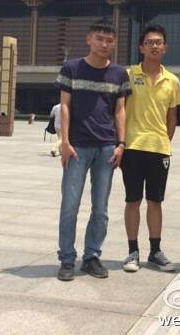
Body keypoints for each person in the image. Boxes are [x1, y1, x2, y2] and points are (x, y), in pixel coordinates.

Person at [55, 20, 131, 282]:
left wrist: (121, 144)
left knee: (101, 208)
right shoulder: (72, 68)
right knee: (70, 206)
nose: (104, 44)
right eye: (99, 38)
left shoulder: (119, 74)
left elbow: (120, 110)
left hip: (106, 147)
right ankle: (67, 259)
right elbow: (65, 106)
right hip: (77, 146)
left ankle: (91, 256)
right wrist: (65, 142)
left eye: (109, 40)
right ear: (88, 39)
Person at [121, 24, 180, 273]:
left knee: (155, 201)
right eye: (149, 42)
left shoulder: (173, 81)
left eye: (158, 42)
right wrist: (121, 141)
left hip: (159, 149)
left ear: (165, 47)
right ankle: (132, 251)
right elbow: (120, 110)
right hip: (132, 147)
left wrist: (164, 141)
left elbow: (172, 118)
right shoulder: (128, 75)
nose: (154, 46)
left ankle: (155, 251)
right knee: (133, 200)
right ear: (141, 47)